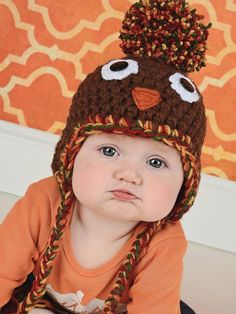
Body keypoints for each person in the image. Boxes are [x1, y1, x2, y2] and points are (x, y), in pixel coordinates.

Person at [0, 0, 211, 313]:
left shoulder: (164, 239)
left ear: (185, 183)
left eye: (156, 162)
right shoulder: (42, 201)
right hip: (40, 297)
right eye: (109, 150)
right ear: (71, 154)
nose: (129, 174)